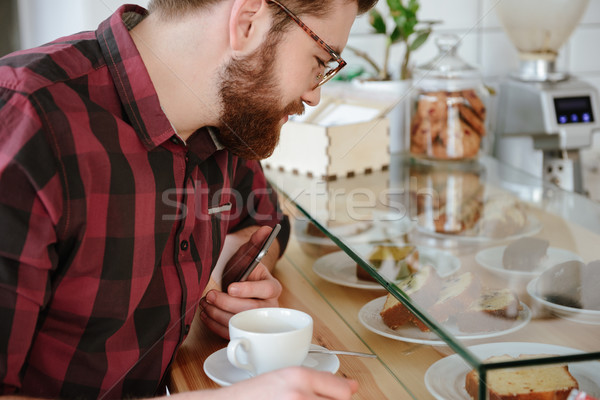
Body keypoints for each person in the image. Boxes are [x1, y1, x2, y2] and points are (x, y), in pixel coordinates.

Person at [0, 0, 377, 398]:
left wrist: (223, 275)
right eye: (322, 60)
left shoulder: (227, 116)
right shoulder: (23, 121)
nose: (315, 95)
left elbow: (265, 221)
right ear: (248, 21)